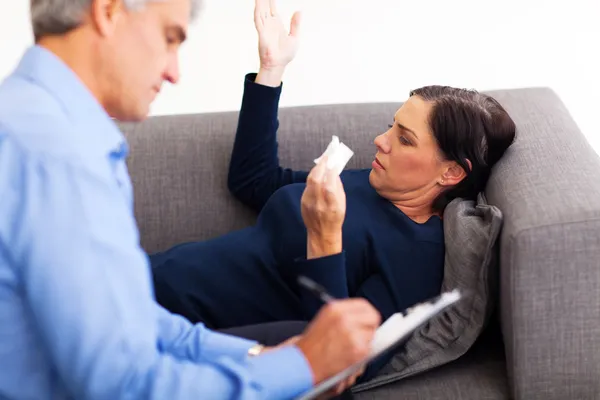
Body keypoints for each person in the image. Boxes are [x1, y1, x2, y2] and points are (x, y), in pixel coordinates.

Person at [0, 0, 382, 399]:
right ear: (109, 12)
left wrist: (260, 357)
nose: (174, 73)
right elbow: (128, 387)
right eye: (169, 38)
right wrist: (303, 365)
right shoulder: (55, 154)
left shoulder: (41, 124)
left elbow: (137, 320)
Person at [150, 0, 517, 381]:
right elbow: (252, 180)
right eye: (392, 126)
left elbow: (339, 363)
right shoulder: (373, 183)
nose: (380, 140)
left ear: (452, 172)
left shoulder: (416, 257)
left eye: (404, 139)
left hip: (168, 326)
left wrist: (324, 237)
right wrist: (271, 69)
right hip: (146, 275)